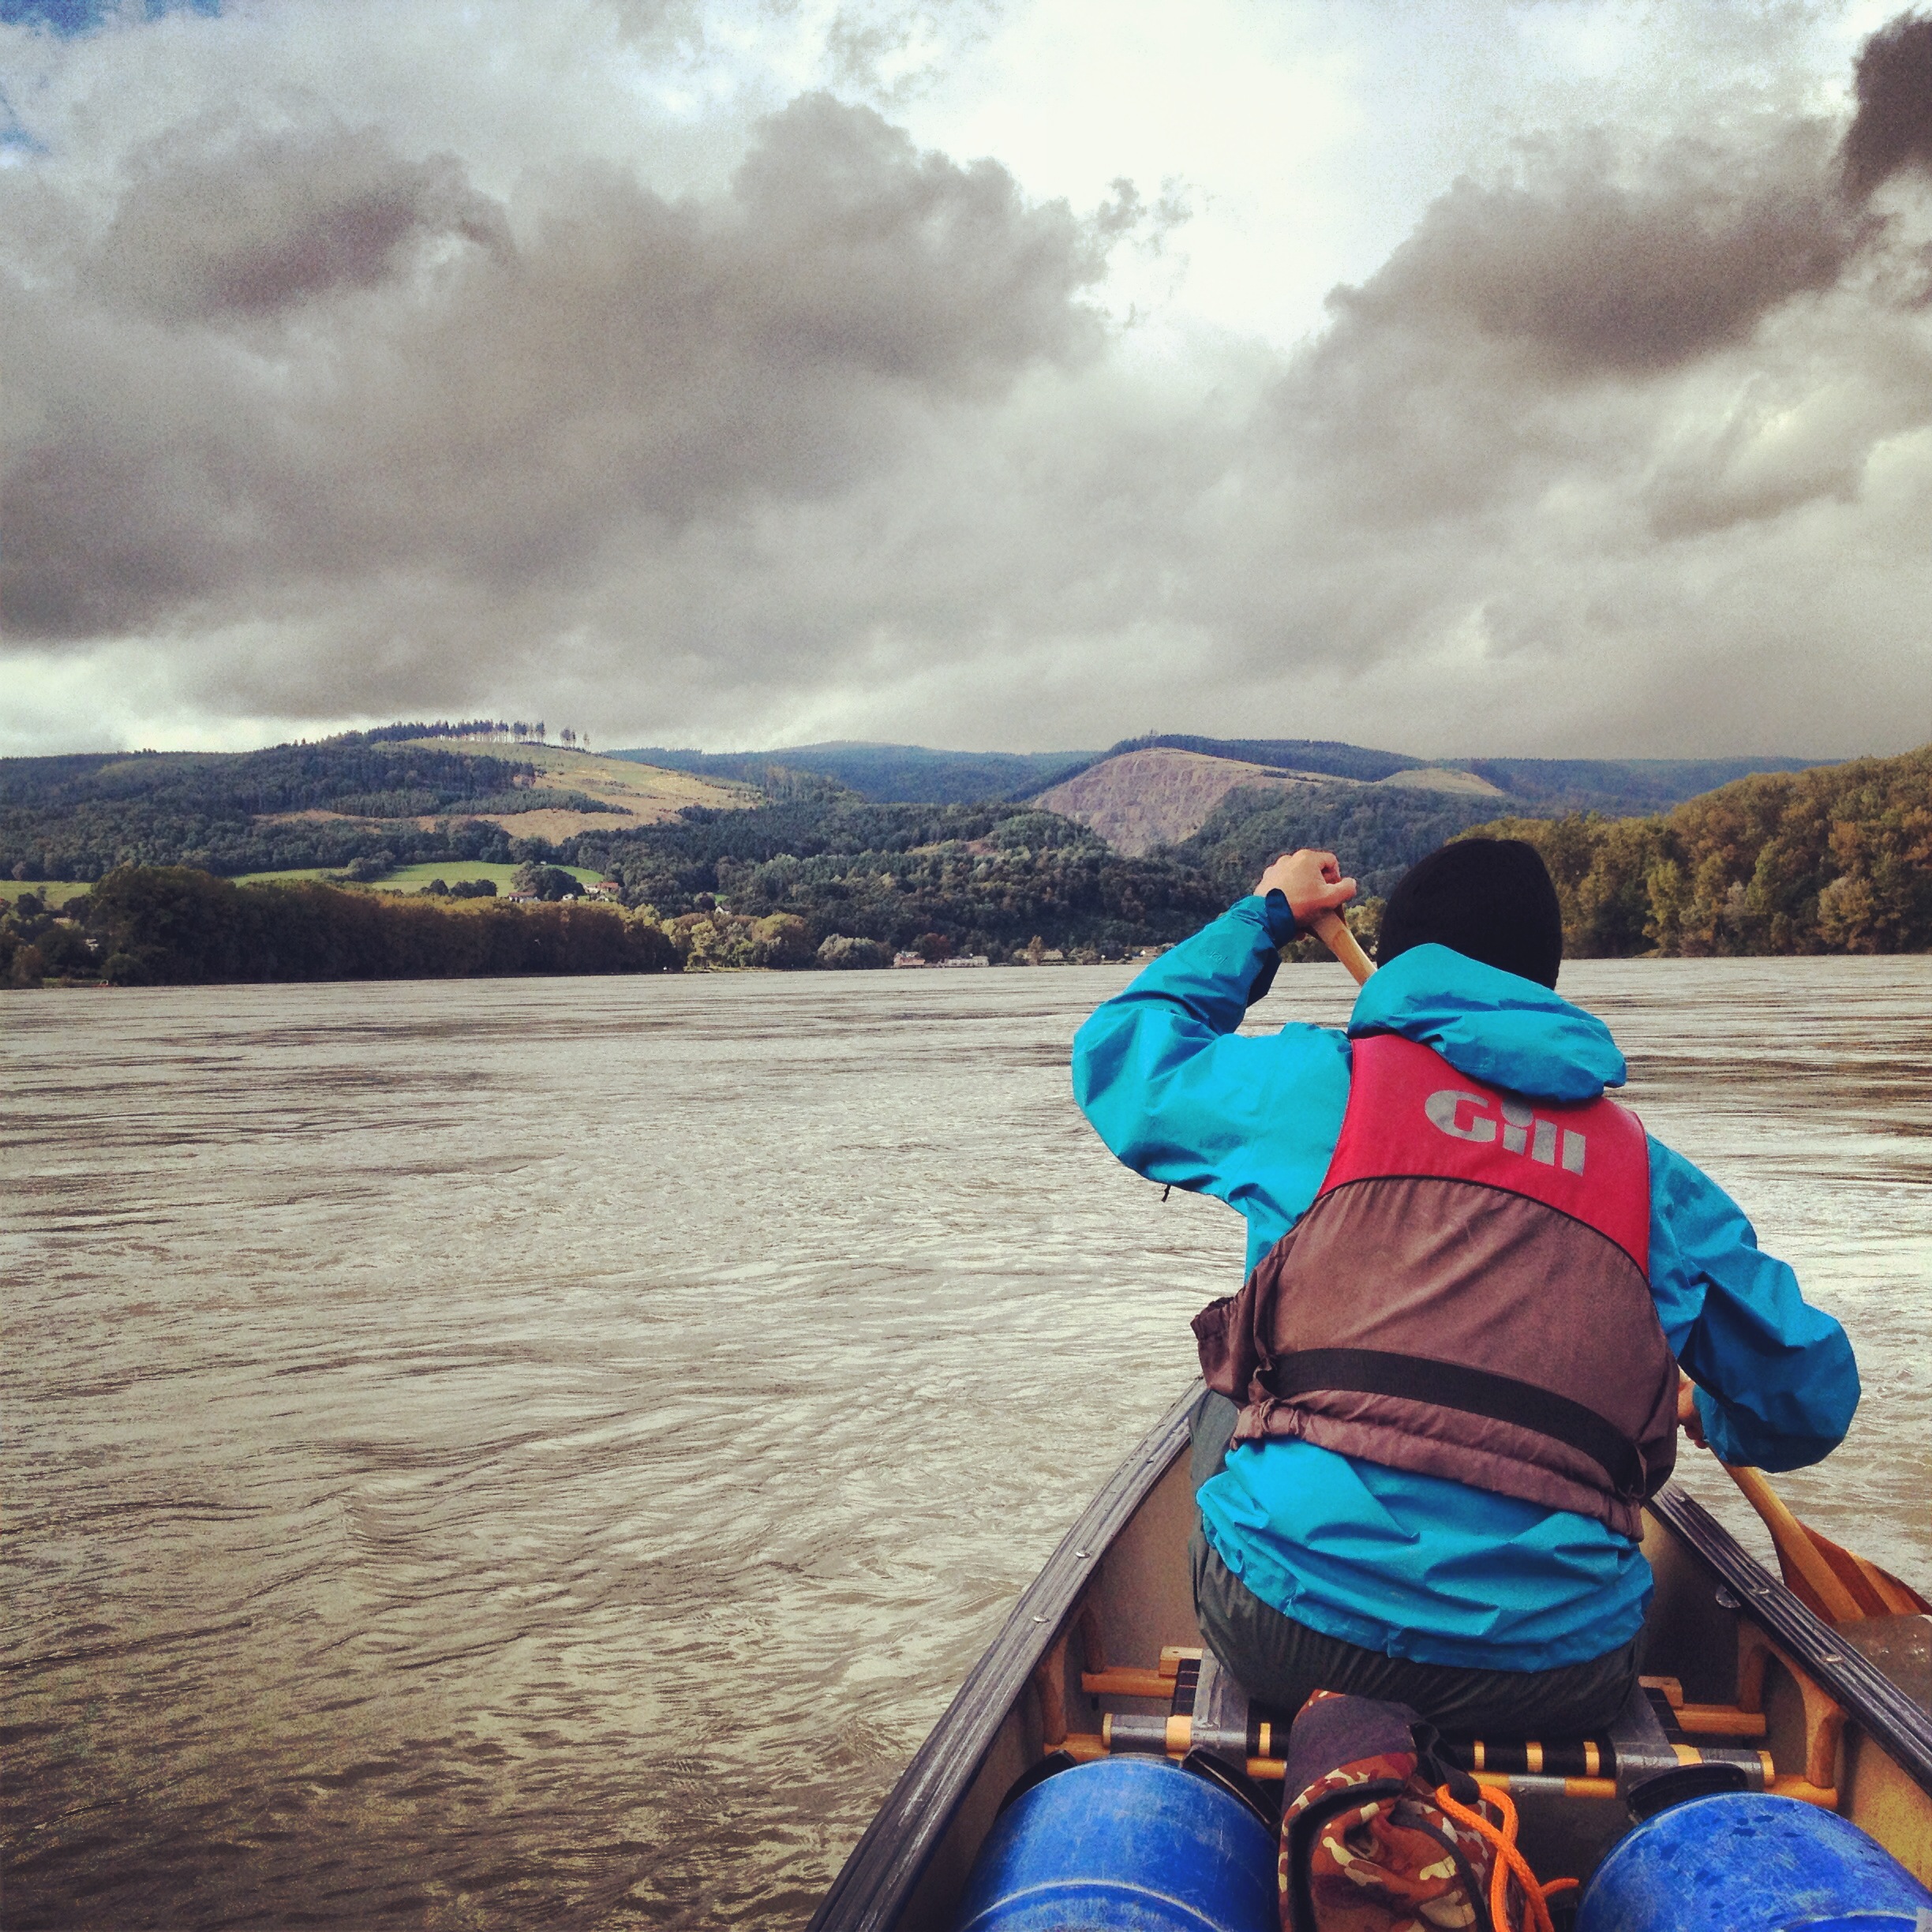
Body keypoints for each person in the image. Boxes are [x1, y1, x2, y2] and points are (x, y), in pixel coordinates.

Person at [1072, 838, 1859, 1736]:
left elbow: (1122, 1056)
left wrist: (1266, 919)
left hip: (1289, 1633)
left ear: (1402, 962)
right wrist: (1710, 1413)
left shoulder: (1311, 1088)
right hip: (1562, 1670)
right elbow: (1810, 1401)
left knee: (1224, 1393)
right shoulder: (1656, 1181)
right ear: (1546, 981)